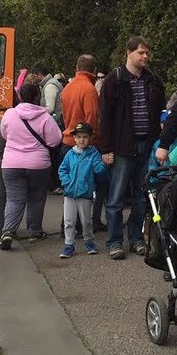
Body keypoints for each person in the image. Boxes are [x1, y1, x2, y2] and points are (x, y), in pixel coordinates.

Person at [99, 36, 165, 260]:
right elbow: (104, 118)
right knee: (116, 197)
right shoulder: (114, 80)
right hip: (122, 147)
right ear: (128, 53)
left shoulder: (153, 81)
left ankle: (136, 238)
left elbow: (160, 113)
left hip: (146, 145)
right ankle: (115, 241)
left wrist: (159, 142)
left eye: (147, 53)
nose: (145, 56)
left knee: (141, 196)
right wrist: (106, 149)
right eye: (141, 52)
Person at [0, 82, 62, 250]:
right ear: (37, 97)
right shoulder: (45, 117)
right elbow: (55, 141)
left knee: (14, 199)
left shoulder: (10, 114)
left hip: (11, 163)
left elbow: (4, 134)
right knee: (36, 198)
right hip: (38, 165)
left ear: (19, 97)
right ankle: (34, 231)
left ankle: (8, 231)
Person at [60, 54, 104, 229]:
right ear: (93, 70)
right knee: (91, 186)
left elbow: (64, 116)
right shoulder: (89, 89)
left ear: (77, 69)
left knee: (72, 188)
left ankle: (68, 224)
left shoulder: (67, 88)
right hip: (84, 144)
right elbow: (92, 118)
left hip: (67, 142)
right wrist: (92, 142)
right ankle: (88, 222)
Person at [57, 122, 106, 258]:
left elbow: (99, 170)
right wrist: (66, 183)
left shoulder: (93, 153)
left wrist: (103, 164)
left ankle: (89, 242)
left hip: (85, 194)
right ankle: (68, 245)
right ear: (74, 138)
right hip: (69, 193)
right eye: (78, 137)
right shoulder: (70, 154)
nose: (81, 140)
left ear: (90, 138)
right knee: (69, 221)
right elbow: (63, 169)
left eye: (85, 137)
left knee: (86, 221)